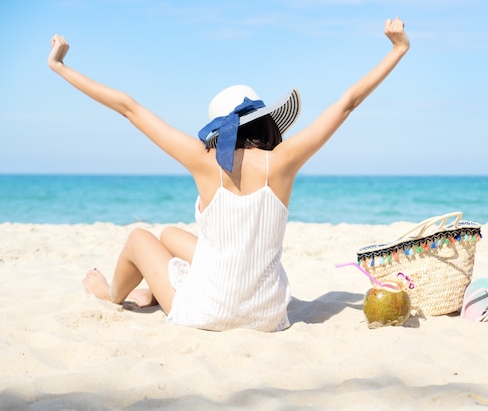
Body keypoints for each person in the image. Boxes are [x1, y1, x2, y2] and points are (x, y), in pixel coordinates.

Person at [48, 17, 410, 332]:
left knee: (140, 237)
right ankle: (153, 290)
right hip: (267, 316)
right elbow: (346, 103)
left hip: (207, 311)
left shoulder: (202, 159)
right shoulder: (284, 160)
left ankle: (111, 295)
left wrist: (61, 68)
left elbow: (128, 107)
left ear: (219, 131)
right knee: (171, 235)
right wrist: (397, 50)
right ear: (267, 123)